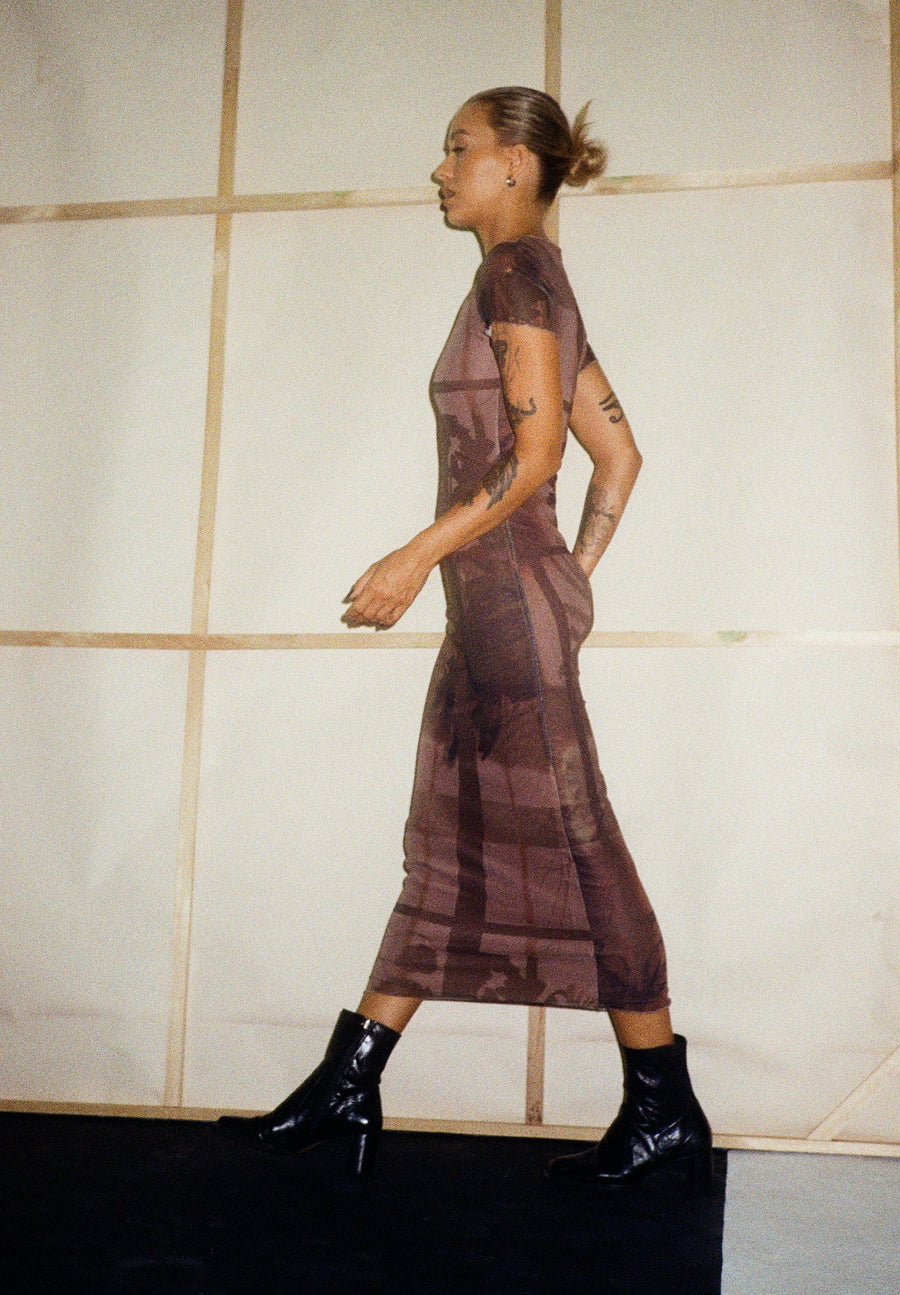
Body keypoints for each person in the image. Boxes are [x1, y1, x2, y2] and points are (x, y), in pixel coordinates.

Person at [217, 86, 712, 1189]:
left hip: (502, 608)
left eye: (458, 149)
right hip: (499, 611)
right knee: (445, 845)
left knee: (582, 843)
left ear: (515, 165)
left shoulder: (515, 275)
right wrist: (566, 578)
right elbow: (620, 457)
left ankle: (662, 1102)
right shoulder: (537, 282)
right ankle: (348, 1080)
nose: (440, 171)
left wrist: (416, 556)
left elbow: (538, 459)